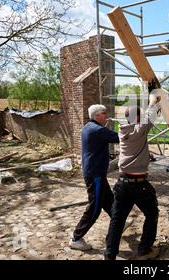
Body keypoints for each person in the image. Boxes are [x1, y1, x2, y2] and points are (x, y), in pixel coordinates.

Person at [104, 94, 161, 260]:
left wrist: (144, 154)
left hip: (122, 183)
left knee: (117, 219)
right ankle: (144, 250)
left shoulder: (123, 131)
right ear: (137, 117)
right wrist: (152, 101)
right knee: (152, 213)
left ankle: (109, 255)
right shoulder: (139, 130)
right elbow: (149, 117)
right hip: (138, 184)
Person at [68, 104, 119, 251]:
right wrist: (130, 128)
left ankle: (118, 223)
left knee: (109, 201)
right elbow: (118, 138)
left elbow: (103, 135)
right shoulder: (98, 130)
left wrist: (105, 128)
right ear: (96, 116)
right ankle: (76, 238)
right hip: (95, 174)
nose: (106, 115)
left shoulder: (88, 127)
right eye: (104, 113)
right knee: (95, 208)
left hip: (96, 173)